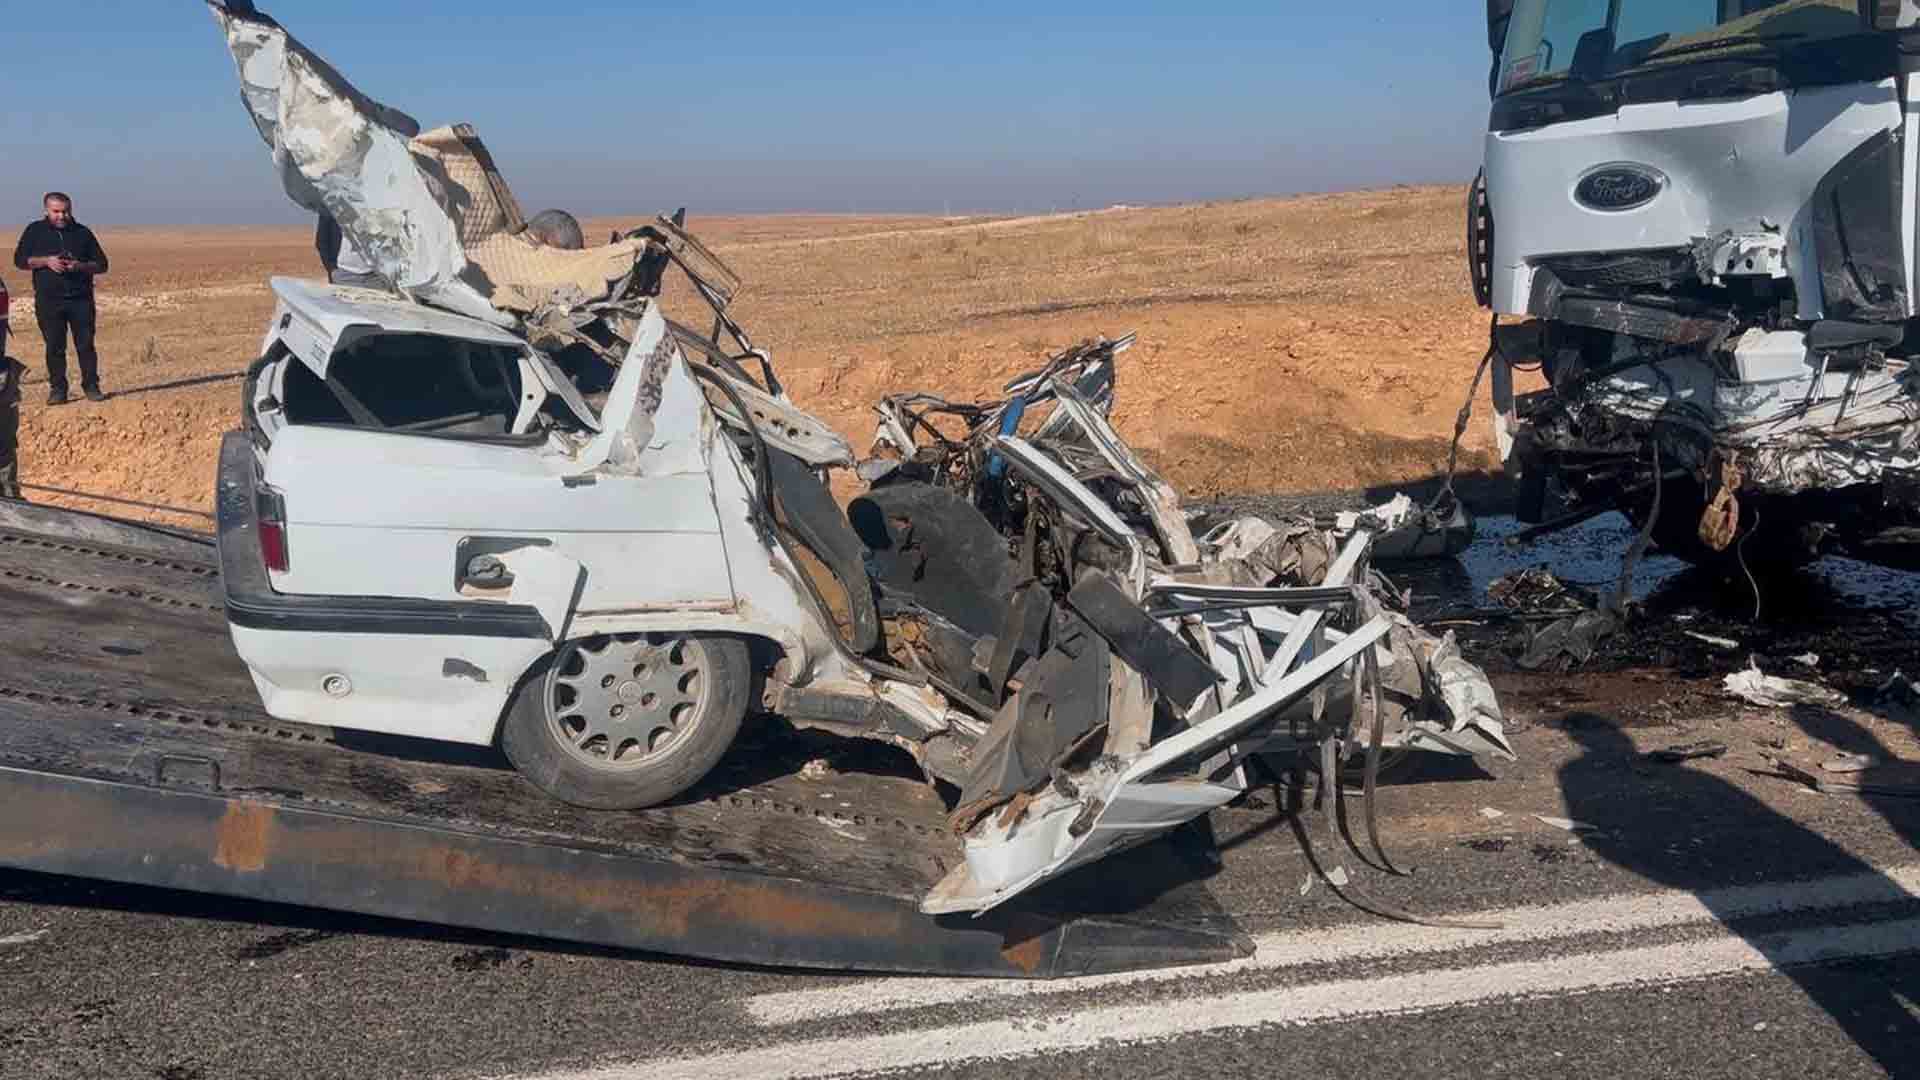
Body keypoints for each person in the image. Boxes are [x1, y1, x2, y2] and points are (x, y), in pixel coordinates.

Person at [12, 193, 108, 405]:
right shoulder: (34, 231)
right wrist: (46, 261)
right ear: (46, 210)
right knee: (54, 347)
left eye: (65, 211)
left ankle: (91, 386)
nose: (61, 216)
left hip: (81, 300)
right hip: (49, 301)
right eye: (56, 211)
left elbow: (102, 264)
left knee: (85, 345)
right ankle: (58, 390)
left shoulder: (83, 233)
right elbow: (19, 260)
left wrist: (79, 266)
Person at [315, 211, 385, 289]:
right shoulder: (331, 206)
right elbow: (321, 241)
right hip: (344, 276)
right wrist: (333, 270)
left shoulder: (381, 205)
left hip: (375, 278)